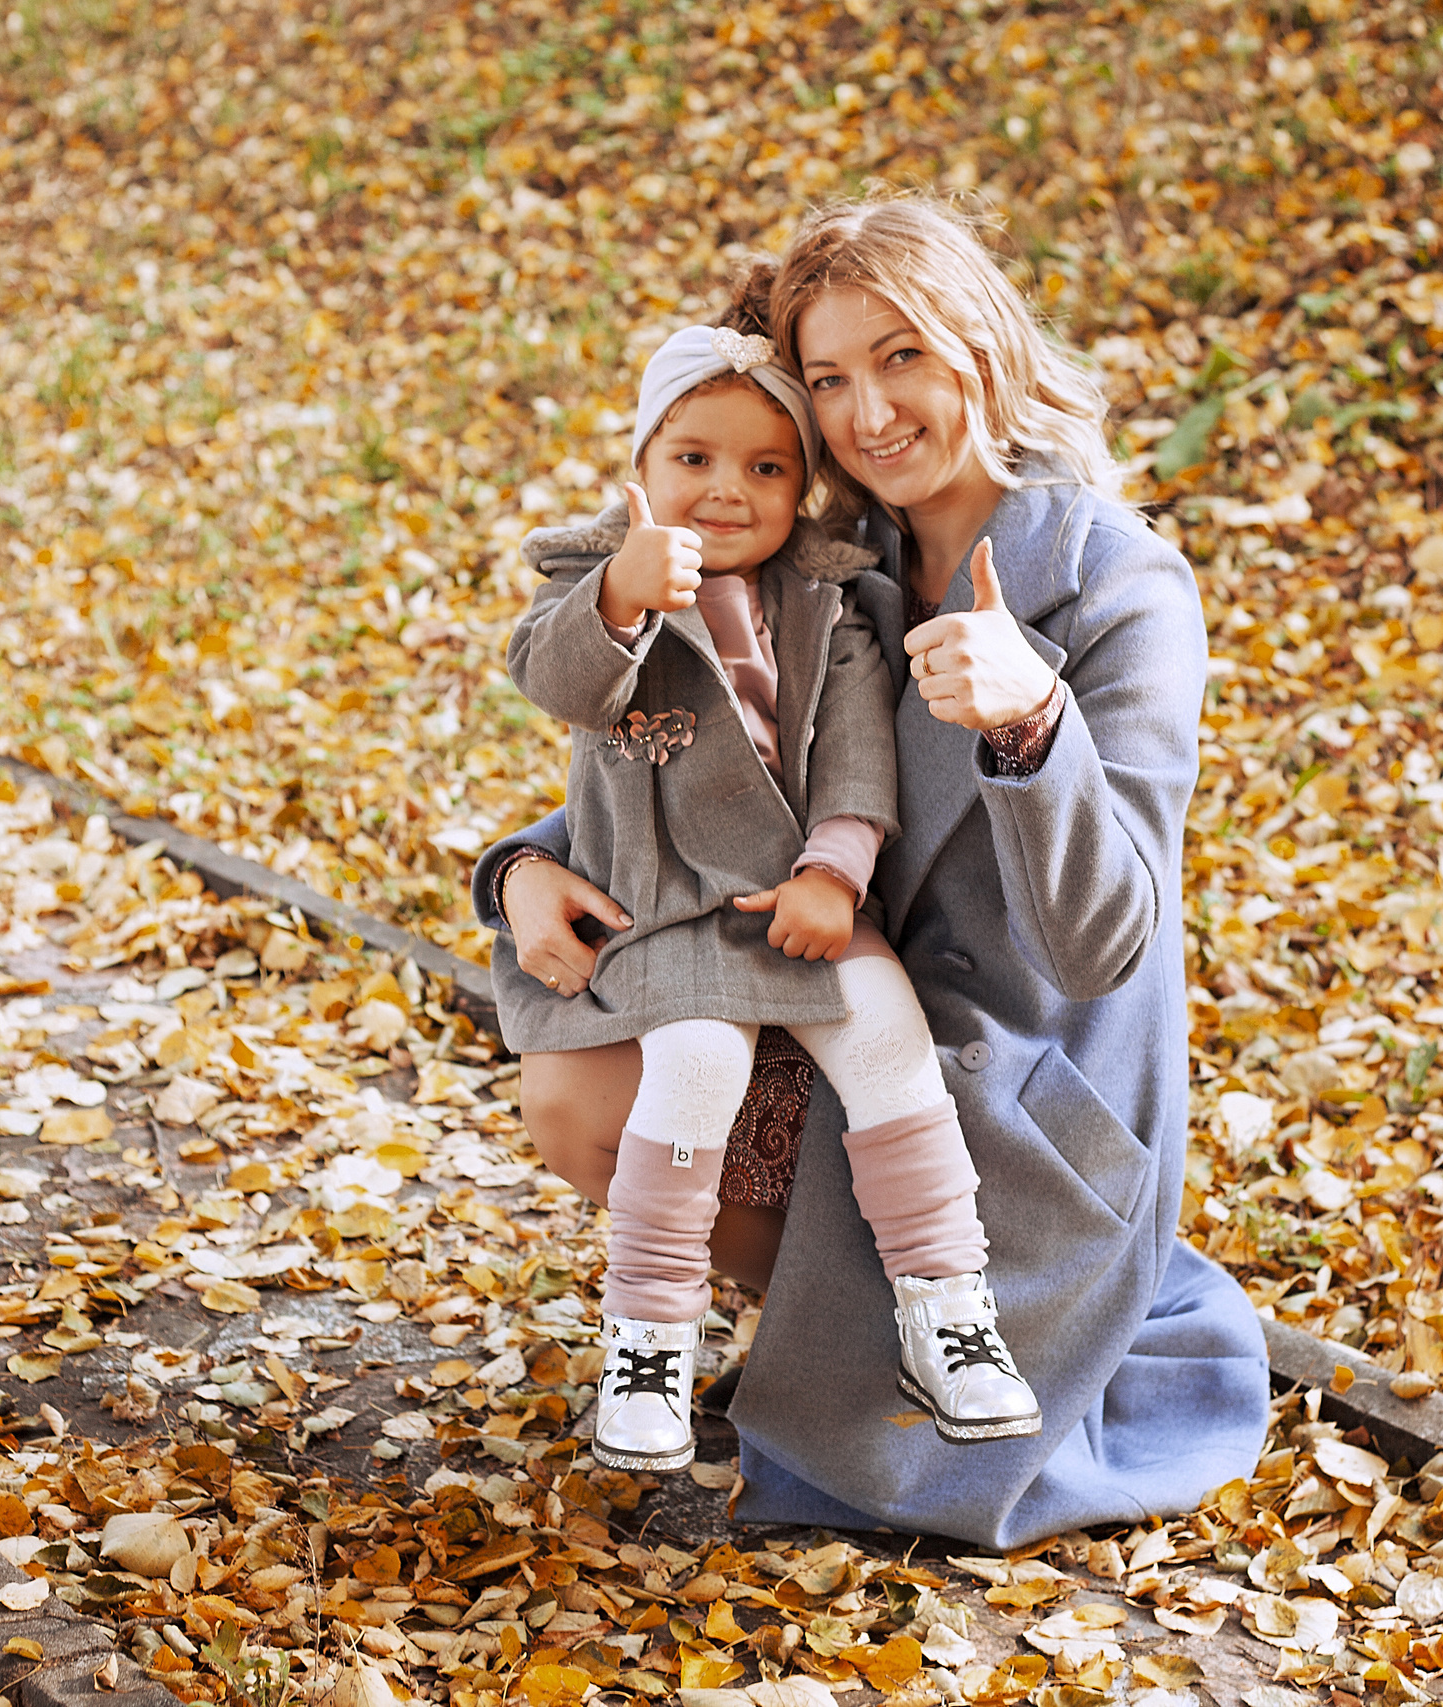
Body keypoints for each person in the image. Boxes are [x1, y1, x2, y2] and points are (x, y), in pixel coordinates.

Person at [478, 195, 1271, 1546]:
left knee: (808, 1107)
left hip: (1025, 1077)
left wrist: (1032, 724)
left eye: (901, 356)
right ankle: (815, 1324)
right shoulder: (824, 566)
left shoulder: (1120, 585)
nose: (867, 412)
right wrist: (519, 871)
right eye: (831, 376)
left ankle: (892, 1341)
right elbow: (694, 776)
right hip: (832, 978)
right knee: (577, 1082)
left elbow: (1103, 943)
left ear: (984, 347)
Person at [498, 291, 1040, 1476]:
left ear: (803, 492)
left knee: (888, 1040)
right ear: (638, 465)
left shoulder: (830, 604)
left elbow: (857, 757)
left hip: (800, 902)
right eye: (691, 459)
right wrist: (623, 591)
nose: (726, 491)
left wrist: (835, 875)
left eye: (765, 467)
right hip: (670, 914)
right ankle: (648, 1334)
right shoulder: (595, 586)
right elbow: (556, 681)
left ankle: (945, 1308)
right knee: (694, 1067)